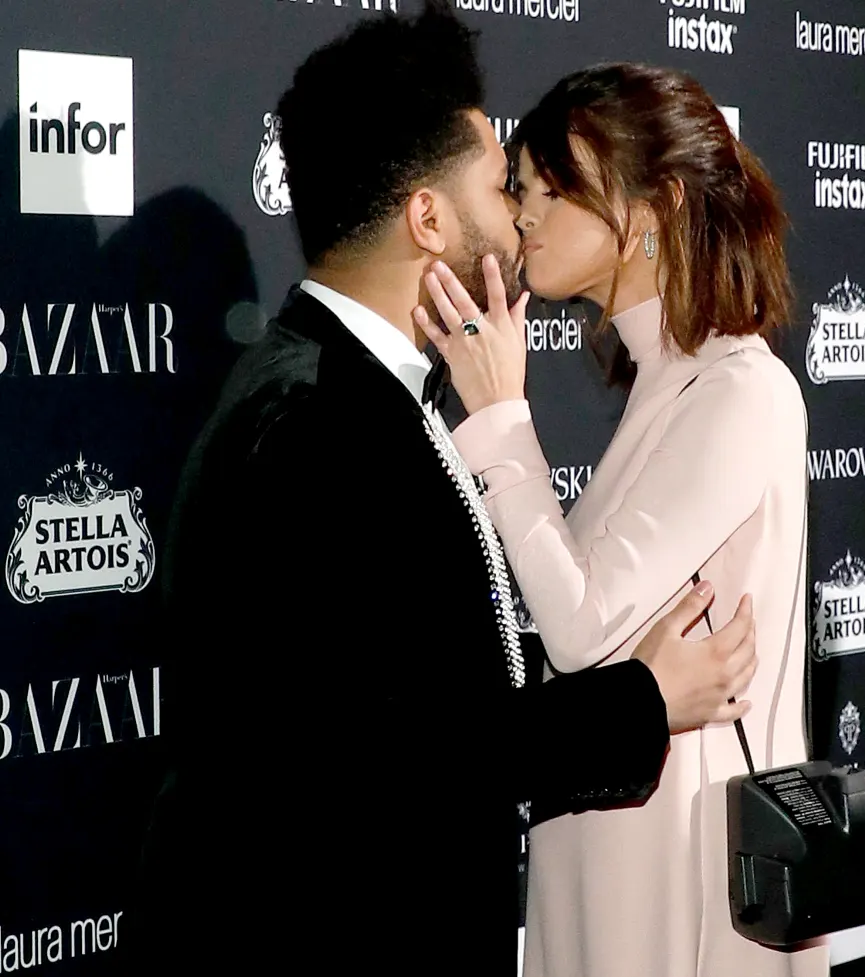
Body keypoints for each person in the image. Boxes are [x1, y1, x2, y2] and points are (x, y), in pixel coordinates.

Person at [126, 9, 761, 975]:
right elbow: (398, 757)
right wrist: (644, 699)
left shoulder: (355, 389)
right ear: (428, 219)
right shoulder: (314, 423)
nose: (518, 211)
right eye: (498, 184)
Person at [416, 64, 829, 977]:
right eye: (520, 185)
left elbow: (579, 625)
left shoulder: (742, 389)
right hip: (614, 838)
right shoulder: (670, 385)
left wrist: (500, 423)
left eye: (552, 189)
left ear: (649, 210)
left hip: (678, 870)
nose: (523, 213)